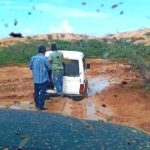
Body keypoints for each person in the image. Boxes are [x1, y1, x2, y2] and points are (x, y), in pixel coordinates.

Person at [29, 45, 51, 110]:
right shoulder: (45, 58)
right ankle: (41, 106)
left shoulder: (33, 58)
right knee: (42, 92)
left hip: (35, 79)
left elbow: (30, 67)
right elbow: (49, 68)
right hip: (43, 79)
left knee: (36, 92)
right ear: (44, 51)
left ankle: (36, 104)